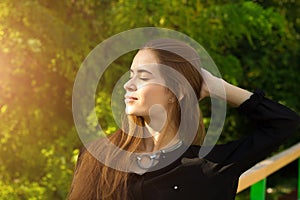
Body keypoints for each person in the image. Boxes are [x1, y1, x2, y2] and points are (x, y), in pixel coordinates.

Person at [68, 38, 300, 200]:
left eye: (144, 76)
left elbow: (284, 123)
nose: (128, 85)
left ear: (175, 92)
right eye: (130, 76)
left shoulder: (209, 166)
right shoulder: (98, 155)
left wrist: (218, 87)